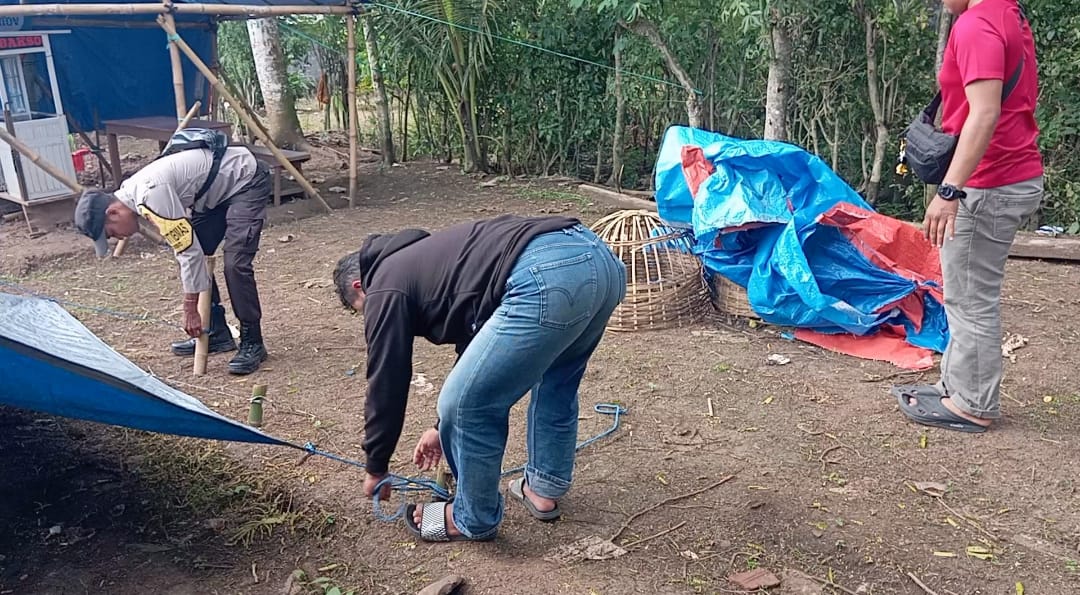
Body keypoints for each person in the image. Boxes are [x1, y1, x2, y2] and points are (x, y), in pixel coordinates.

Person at [333, 215, 626, 542]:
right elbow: (479, 349)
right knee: (557, 382)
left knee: (465, 404)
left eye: (362, 310)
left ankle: (471, 517)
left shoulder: (384, 283)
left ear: (359, 287)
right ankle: (543, 487)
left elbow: (387, 377)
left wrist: (376, 466)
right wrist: (439, 426)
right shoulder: (432, 258)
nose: (369, 317)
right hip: (600, 261)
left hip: (545, 274)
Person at [895, 0, 1043, 432]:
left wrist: (948, 191)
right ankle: (958, 388)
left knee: (970, 298)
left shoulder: (978, 24)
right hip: (1006, 174)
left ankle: (973, 405)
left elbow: (985, 113)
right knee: (963, 292)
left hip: (989, 182)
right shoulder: (1007, 14)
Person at [73, 142, 273, 375]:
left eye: (111, 232)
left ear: (113, 212)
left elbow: (188, 250)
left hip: (244, 178)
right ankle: (216, 331)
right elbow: (191, 249)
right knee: (201, 249)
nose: (117, 237)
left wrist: (190, 307)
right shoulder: (133, 194)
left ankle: (253, 341)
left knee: (235, 264)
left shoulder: (149, 194)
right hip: (213, 194)